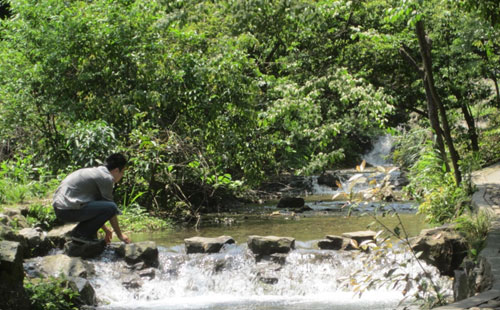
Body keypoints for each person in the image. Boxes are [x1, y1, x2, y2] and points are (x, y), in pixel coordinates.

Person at [52, 153, 131, 244]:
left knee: (104, 211)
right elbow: (111, 210)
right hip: (68, 210)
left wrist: (106, 230)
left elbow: (97, 210)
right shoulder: (106, 178)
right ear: (117, 170)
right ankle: (79, 234)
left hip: (61, 209)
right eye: (123, 172)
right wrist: (120, 235)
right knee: (111, 207)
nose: (123, 175)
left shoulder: (96, 172)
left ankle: (81, 236)